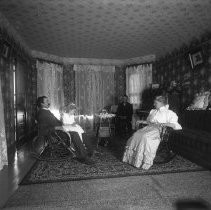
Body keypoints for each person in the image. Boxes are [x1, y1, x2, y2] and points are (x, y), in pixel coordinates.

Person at [122, 95, 182, 170]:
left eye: (155, 103)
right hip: (149, 128)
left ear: (161, 103)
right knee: (136, 134)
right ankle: (133, 159)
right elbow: (148, 122)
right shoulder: (153, 111)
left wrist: (163, 124)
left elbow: (175, 124)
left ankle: (144, 161)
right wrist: (141, 121)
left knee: (145, 137)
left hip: (159, 131)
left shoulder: (169, 113)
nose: (154, 105)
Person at [36, 96, 94, 165]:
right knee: (75, 134)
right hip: (57, 134)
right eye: (47, 101)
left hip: (62, 128)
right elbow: (42, 130)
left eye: (48, 101)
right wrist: (57, 128)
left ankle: (90, 151)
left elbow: (55, 122)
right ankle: (83, 157)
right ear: (42, 104)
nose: (49, 102)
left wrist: (64, 123)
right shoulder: (42, 114)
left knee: (81, 131)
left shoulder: (46, 111)